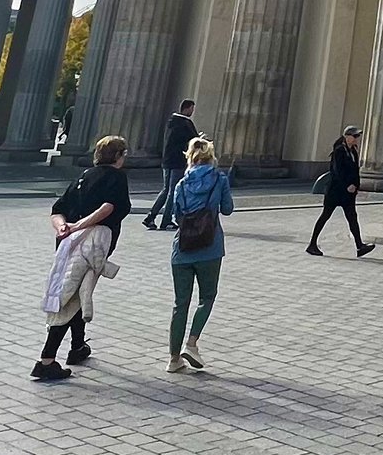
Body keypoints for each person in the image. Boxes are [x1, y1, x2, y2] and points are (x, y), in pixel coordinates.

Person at [33, 135, 132, 381]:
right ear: (119, 156)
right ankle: (46, 360)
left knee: (74, 292)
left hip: (68, 244)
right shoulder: (116, 177)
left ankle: (77, 346)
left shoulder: (83, 176)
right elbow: (108, 208)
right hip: (93, 245)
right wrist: (79, 226)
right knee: (70, 297)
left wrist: (63, 228)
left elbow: (58, 210)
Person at [167, 137, 234, 374]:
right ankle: (192, 343)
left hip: (182, 248)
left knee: (180, 304)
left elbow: (176, 216)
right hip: (210, 246)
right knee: (207, 296)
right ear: (211, 157)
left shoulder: (181, 184)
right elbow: (227, 209)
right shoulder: (219, 179)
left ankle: (173, 359)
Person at [307, 125, 375, 257]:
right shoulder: (339, 151)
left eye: (357, 136)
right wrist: (347, 185)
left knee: (352, 218)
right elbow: (337, 172)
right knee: (325, 216)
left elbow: (355, 171)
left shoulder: (353, 151)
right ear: (347, 137)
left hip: (348, 193)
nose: (356, 139)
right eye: (354, 136)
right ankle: (312, 244)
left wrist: (356, 185)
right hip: (336, 191)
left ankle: (359, 246)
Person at [142, 98, 199, 231]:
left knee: (166, 189)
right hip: (178, 161)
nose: (192, 111)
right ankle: (166, 220)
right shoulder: (185, 123)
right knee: (173, 191)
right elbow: (193, 141)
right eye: (192, 109)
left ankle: (150, 217)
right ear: (188, 108)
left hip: (167, 160)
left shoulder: (171, 122)